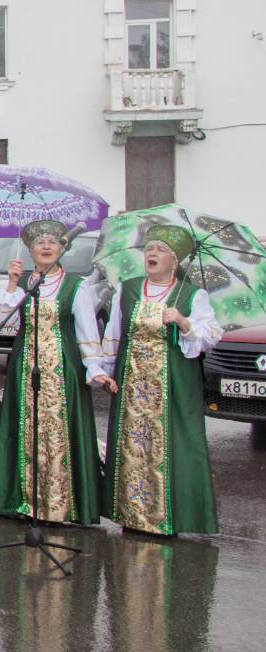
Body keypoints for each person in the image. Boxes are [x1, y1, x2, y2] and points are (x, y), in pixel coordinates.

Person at [100, 224, 221, 536]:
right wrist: (105, 370)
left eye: (161, 250)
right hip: (132, 386)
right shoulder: (127, 289)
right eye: (149, 249)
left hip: (172, 386)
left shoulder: (191, 294)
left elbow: (209, 336)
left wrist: (183, 322)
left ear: (175, 260)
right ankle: (133, 514)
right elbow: (114, 333)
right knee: (133, 448)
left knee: (172, 447)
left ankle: (167, 518)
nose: (152, 254)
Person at [0, 219, 106, 525]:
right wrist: (11, 284)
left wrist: (94, 369)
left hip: (62, 371)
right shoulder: (26, 284)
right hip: (25, 370)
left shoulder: (75, 287)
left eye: (53, 242)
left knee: (58, 434)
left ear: (62, 248)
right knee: (26, 430)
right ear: (30, 250)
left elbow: (87, 333)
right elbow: (3, 324)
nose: (46, 247)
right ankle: (26, 502)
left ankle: (59, 505)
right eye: (40, 243)